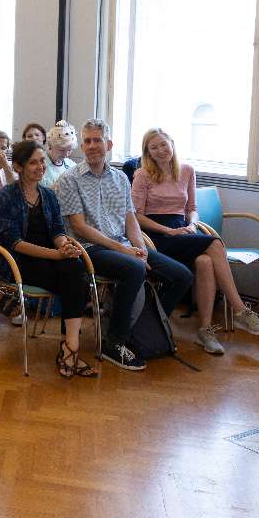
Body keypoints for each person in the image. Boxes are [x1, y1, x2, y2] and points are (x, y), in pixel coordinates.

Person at [56, 119, 194, 371]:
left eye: (97, 140)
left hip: (122, 245)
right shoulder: (69, 179)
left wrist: (140, 250)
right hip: (88, 248)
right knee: (134, 269)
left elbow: (131, 221)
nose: (92, 146)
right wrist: (126, 252)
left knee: (182, 275)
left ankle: (143, 325)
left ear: (108, 144)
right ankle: (114, 342)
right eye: (87, 141)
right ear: (82, 146)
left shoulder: (120, 178)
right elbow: (79, 226)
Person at [132, 128, 259, 353]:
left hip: (182, 230)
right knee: (215, 243)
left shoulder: (187, 171)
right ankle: (240, 311)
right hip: (156, 235)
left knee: (205, 263)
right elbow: (136, 216)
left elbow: (193, 209)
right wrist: (168, 232)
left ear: (172, 143)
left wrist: (192, 225)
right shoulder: (142, 175)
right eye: (153, 147)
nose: (160, 150)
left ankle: (205, 331)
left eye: (163, 144)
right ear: (147, 152)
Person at [0, 141, 97, 378]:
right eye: (33, 162)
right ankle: (70, 351)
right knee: (74, 283)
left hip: (47, 254)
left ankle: (70, 348)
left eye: (42, 161)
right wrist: (56, 254)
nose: (40, 167)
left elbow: (58, 230)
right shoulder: (6, 196)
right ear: (18, 167)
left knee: (75, 268)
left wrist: (64, 246)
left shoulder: (48, 194)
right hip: (16, 260)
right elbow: (14, 242)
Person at [41, 120, 78, 189]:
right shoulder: (39, 164)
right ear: (50, 145)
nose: (66, 155)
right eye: (61, 150)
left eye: (69, 150)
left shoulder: (71, 165)